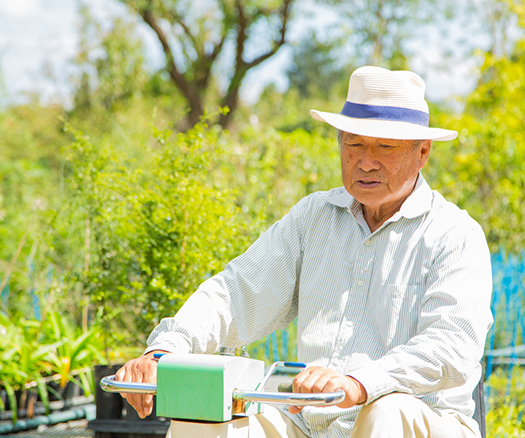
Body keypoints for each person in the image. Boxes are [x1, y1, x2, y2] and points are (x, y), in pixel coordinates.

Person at [116, 66, 493, 438]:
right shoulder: (314, 217)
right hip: (311, 424)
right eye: (355, 143)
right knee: (207, 429)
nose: (366, 161)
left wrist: (359, 384)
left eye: (386, 146)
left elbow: (451, 347)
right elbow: (235, 293)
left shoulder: (454, 235)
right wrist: (165, 350)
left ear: (422, 152)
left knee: (387, 410)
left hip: (422, 421)